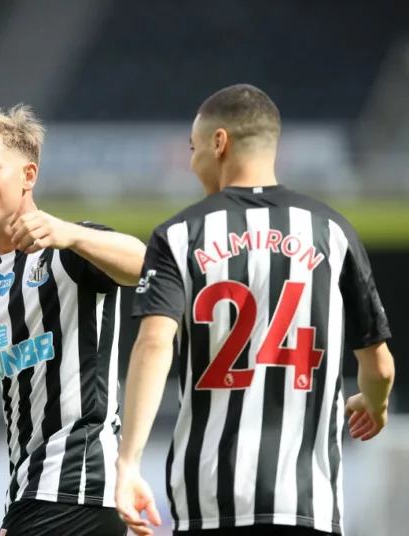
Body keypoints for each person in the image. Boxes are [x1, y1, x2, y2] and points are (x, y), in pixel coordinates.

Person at [115, 83, 395, 536]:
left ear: (219, 142)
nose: (191, 162)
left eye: (194, 148)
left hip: (209, 500)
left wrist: (127, 463)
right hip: (309, 504)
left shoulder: (179, 234)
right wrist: (376, 405)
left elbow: (153, 343)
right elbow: (379, 367)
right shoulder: (332, 231)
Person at [0, 104, 146, 535]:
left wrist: (72, 234)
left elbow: (147, 263)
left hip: (77, 480)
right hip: (30, 487)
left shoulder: (72, 247)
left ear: (28, 175)